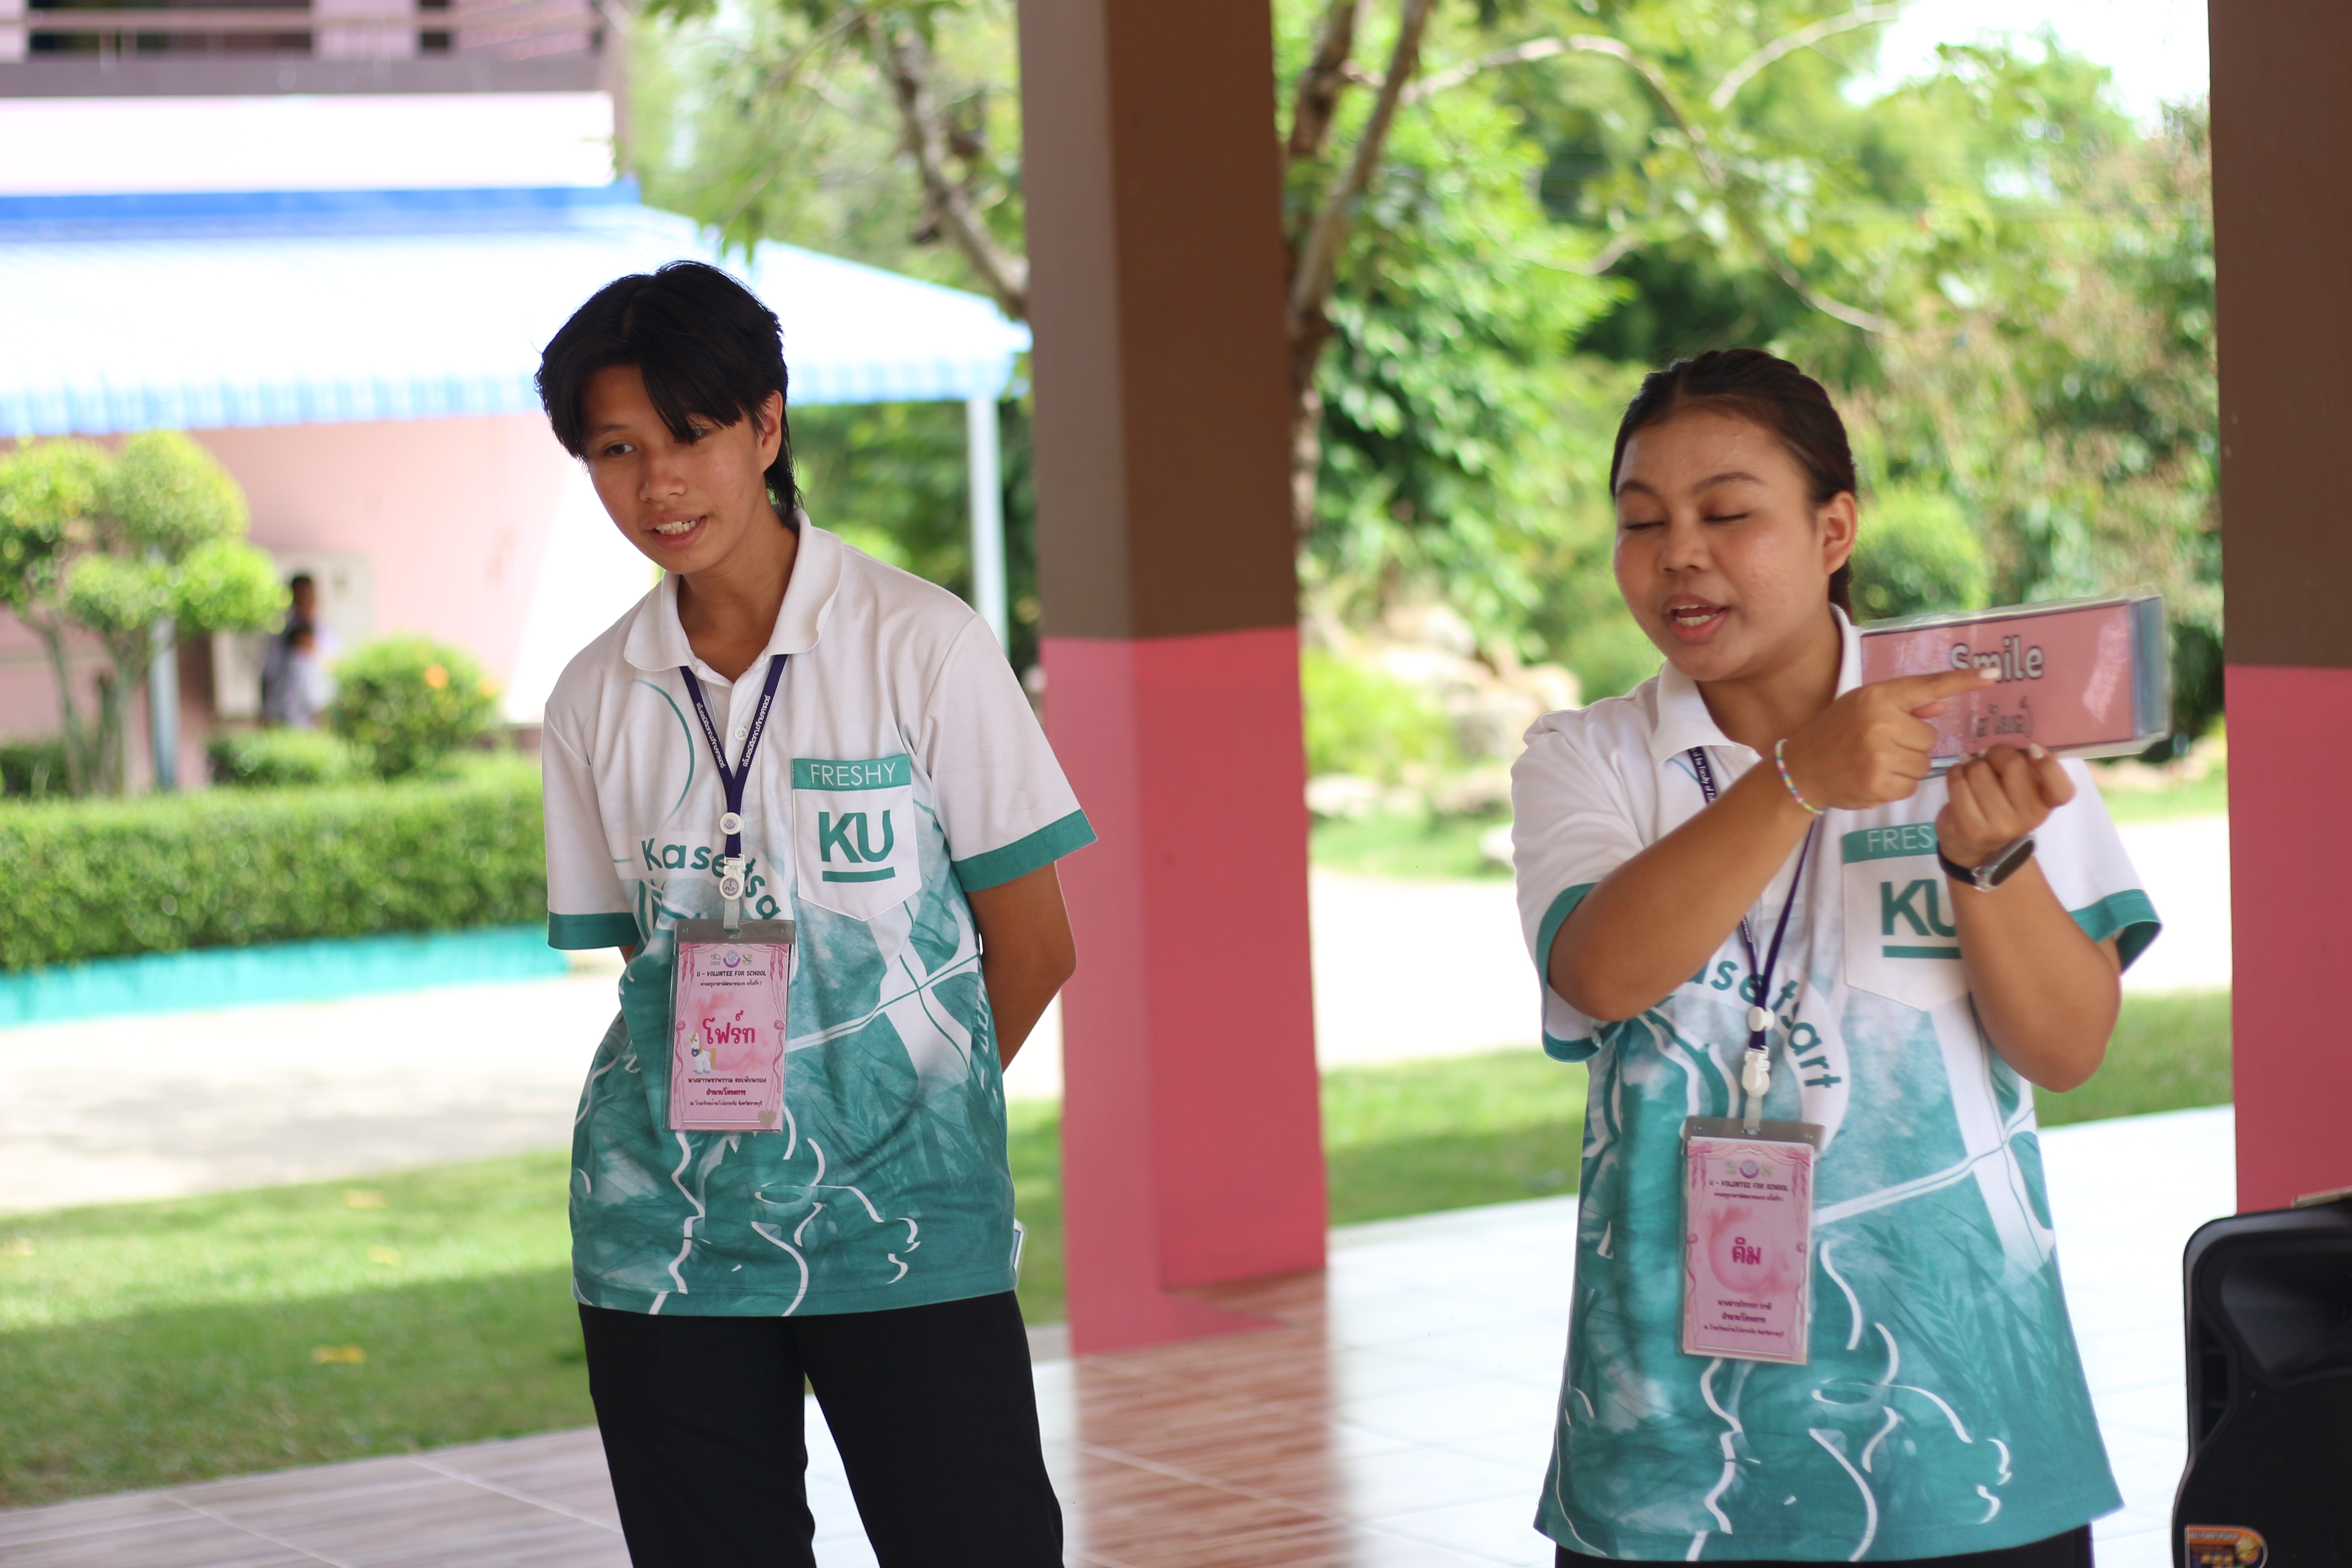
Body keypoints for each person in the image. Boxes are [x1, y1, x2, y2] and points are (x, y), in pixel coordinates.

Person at [1511, 349, 2155, 1564]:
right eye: (1641, 522)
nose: (1679, 554)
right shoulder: (1585, 758)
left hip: (1965, 1449)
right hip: (1668, 1464)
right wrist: (1800, 778)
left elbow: (2068, 1047)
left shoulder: (1980, 730)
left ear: (1833, 529)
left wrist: (1987, 865)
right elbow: (1599, 973)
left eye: (1726, 513)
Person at [534, 260, 1090, 1568]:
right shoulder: (592, 696)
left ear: (767, 426)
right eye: (617, 450)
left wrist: (883, 1124)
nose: (658, 484)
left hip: (908, 1224)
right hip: (665, 1239)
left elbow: (1035, 945)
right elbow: (653, 968)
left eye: (690, 435)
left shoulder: (922, 645)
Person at [259, 573, 335, 726]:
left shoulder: (326, 633)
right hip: (287, 717)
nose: (306, 600)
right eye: (301, 595)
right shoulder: (280, 635)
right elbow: (269, 675)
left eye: (309, 595)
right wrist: (265, 716)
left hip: (318, 717)